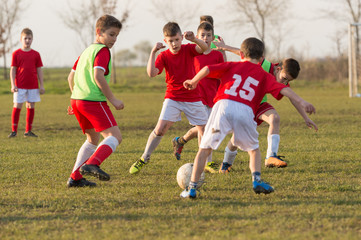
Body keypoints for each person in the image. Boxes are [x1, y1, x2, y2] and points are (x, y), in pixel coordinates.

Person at [180, 37, 317, 198]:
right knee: (253, 150)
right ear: (261, 58)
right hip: (245, 109)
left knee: (204, 149)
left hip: (223, 106)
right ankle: (256, 180)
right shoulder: (264, 74)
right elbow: (284, 90)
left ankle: (192, 189)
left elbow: (208, 69)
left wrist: (193, 81)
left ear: (242, 54)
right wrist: (302, 101)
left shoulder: (233, 65)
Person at [213, 42, 318, 172]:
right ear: (278, 69)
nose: (285, 83)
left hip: (260, 104)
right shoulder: (263, 65)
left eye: (288, 81)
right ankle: (226, 164)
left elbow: (293, 98)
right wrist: (225, 47)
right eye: (285, 78)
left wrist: (305, 118)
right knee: (237, 138)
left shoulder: (281, 81)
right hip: (244, 104)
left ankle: (270, 157)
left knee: (274, 118)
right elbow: (246, 54)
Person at [129, 22, 209, 174]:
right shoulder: (164, 56)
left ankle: (202, 164)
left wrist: (194, 39)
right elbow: (151, 73)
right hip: (173, 97)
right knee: (160, 129)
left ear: (181, 38)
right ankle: (144, 158)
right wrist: (153, 52)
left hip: (193, 97)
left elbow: (204, 48)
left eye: (177, 40)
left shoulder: (188, 49)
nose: (174, 43)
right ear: (165, 41)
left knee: (204, 132)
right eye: (170, 41)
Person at [66, 15, 124, 188]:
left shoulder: (86, 51)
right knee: (115, 137)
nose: (114, 39)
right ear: (99, 32)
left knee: (92, 138)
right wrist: (112, 99)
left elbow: (71, 76)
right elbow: (98, 75)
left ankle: (75, 178)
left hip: (78, 100)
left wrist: (76, 94)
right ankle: (93, 163)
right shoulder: (102, 51)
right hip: (92, 101)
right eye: (111, 34)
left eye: (116, 36)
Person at [171, 21, 224, 173]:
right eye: (202, 35)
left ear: (213, 37)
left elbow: (222, 74)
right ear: (197, 36)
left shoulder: (217, 55)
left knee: (208, 128)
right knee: (205, 129)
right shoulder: (195, 54)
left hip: (213, 96)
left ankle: (180, 140)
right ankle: (208, 161)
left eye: (208, 36)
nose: (206, 38)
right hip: (197, 96)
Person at [9, 28, 45, 138]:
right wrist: (13, 85)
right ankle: (14, 130)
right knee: (18, 105)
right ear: (21, 39)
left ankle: (28, 131)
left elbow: (39, 70)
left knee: (30, 106)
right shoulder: (16, 53)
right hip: (19, 85)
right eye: (25, 38)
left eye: (29, 38)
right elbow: (13, 69)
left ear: (32, 39)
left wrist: (41, 85)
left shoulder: (36, 54)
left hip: (33, 86)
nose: (27, 40)